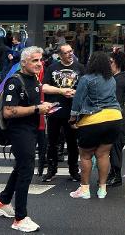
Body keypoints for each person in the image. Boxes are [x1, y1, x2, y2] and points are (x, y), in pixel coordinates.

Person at [0, 46, 55, 233]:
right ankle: (20, 218)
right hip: (19, 131)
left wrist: (44, 107)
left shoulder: (34, 79)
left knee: (20, 168)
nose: (39, 63)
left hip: (31, 129)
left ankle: (2, 202)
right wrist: (37, 109)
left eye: (40, 60)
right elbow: (8, 111)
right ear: (23, 62)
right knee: (26, 170)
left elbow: (31, 103)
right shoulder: (14, 81)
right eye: (34, 60)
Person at [68, 51, 121, 200]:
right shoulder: (111, 79)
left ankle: (85, 189)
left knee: (85, 156)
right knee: (104, 154)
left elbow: (77, 101)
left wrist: (73, 119)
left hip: (93, 119)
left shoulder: (86, 79)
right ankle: (102, 189)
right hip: (114, 117)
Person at [41, 43, 85, 182]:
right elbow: (44, 87)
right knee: (52, 142)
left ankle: (73, 170)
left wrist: (75, 92)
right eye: (66, 52)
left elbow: (86, 86)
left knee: (73, 143)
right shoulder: (52, 68)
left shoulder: (80, 67)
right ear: (60, 55)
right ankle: (51, 169)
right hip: (55, 110)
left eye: (71, 51)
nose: (70, 54)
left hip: (73, 111)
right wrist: (61, 90)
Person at [108, 51, 125, 187]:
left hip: (117, 116)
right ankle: (113, 173)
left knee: (116, 146)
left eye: (111, 62)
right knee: (115, 146)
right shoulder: (121, 77)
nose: (109, 65)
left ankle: (116, 175)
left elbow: (116, 100)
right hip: (119, 115)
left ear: (117, 63)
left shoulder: (120, 79)